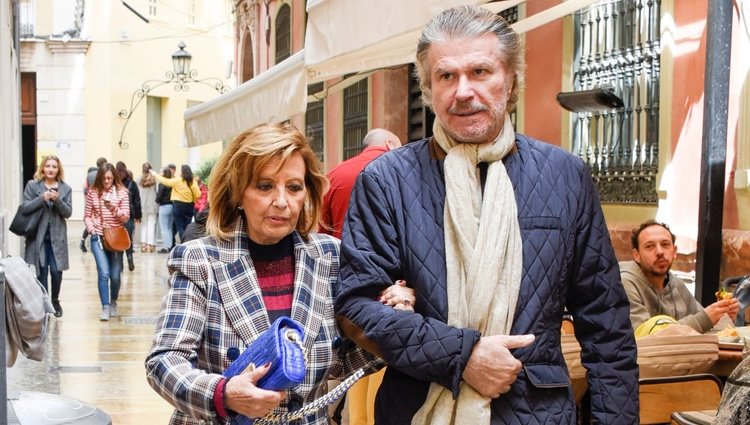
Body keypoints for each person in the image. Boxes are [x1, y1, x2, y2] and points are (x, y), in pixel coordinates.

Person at [334, 6, 638, 424]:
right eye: (446, 76)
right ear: (428, 88)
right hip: (417, 409)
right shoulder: (387, 180)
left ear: (510, 79)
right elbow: (355, 305)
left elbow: (606, 324)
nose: (463, 91)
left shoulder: (564, 176)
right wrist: (463, 356)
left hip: (537, 412)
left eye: (480, 71)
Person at [145, 122, 414, 425]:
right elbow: (165, 361)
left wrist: (394, 319)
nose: (282, 202)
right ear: (238, 193)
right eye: (265, 186)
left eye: (294, 187)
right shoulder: (199, 259)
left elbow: (342, 363)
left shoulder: (330, 257)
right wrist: (223, 394)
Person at [320, 128, 401, 425]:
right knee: (380, 360)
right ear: (390, 144)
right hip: (390, 285)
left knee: (351, 361)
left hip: (345, 285)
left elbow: (321, 232)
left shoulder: (335, 175)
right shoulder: (399, 169)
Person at [620, 220, 740, 333]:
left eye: (665, 244)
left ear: (674, 251)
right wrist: (705, 319)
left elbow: (706, 326)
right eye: (650, 246)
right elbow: (643, 339)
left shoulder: (676, 284)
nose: (659, 252)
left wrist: (723, 316)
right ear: (636, 255)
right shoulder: (625, 284)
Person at [322, 128, 402, 239]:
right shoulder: (402, 173)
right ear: (389, 144)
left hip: (343, 253)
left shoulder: (333, 176)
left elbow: (323, 231)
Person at [20, 155, 72, 317]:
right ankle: (45, 304)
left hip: (57, 238)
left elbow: (68, 213)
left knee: (56, 273)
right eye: (48, 166)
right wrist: (41, 198)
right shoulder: (33, 185)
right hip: (38, 237)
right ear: (43, 168)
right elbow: (25, 208)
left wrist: (58, 201)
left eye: (54, 167)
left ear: (58, 170)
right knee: (41, 272)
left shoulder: (65, 189)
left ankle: (55, 300)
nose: (50, 169)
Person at [83, 163, 130, 321]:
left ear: (114, 177)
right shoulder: (93, 193)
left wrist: (113, 208)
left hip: (116, 237)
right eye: (104, 178)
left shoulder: (122, 193)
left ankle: (113, 302)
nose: (107, 181)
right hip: (98, 236)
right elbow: (87, 215)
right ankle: (105, 307)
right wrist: (91, 230)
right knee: (104, 272)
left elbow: (125, 217)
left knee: (115, 275)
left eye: (109, 178)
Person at [150, 164, 201, 241]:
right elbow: (198, 195)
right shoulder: (193, 182)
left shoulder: (178, 180)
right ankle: (187, 242)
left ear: (183, 172)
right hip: (189, 206)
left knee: (180, 226)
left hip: (178, 206)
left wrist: (155, 175)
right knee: (187, 226)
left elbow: (166, 181)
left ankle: (183, 242)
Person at [116, 162, 142, 271]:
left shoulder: (115, 184)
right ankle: (130, 257)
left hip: (117, 216)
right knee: (128, 239)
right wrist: (138, 215)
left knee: (119, 240)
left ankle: (120, 263)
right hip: (129, 216)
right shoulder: (132, 183)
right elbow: (137, 201)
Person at [80, 157, 107, 253]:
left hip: (90, 202)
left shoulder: (89, 175)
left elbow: (85, 189)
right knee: (98, 223)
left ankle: (85, 241)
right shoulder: (105, 174)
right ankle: (97, 244)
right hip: (101, 202)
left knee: (91, 222)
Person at [138, 162, 158, 253]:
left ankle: (143, 244)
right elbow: (158, 192)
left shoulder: (138, 180)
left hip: (142, 205)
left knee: (144, 225)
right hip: (152, 205)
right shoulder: (155, 180)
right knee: (152, 224)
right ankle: (150, 245)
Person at [155, 166, 175, 253]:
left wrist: (157, 201)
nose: (159, 173)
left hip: (164, 206)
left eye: (160, 171)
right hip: (173, 205)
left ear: (164, 173)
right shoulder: (173, 183)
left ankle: (166, 246)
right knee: (169, 227)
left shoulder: (162, 184)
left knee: (163, 227)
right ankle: (170, 246)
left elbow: (159, 196)